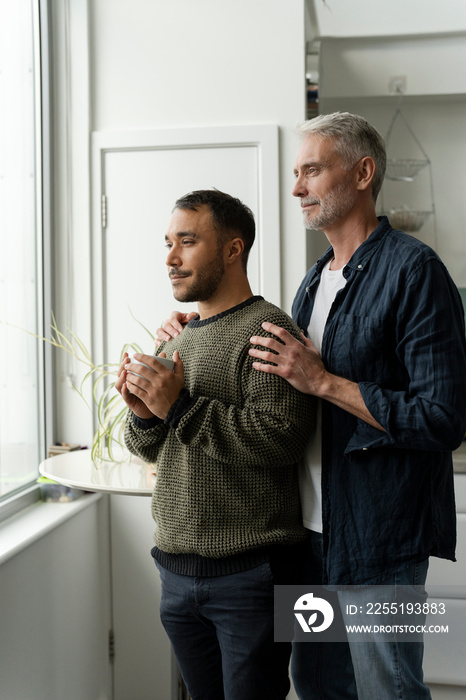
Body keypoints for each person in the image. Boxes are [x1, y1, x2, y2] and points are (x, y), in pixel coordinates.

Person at [157, 113, 466, 700]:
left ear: (363, 172)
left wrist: (325, 382)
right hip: (309, 539)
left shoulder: (415, 271)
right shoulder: (311, 282)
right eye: (296, 173)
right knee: (316, 684)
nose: (297, 187)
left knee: (388, 689)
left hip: (380, 539)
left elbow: (442, 417)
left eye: (312, 171)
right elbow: (272, 377)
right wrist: (190, 326)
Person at [115, 189, 316, 700]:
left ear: (232, 250)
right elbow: (154, 448)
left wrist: (179, 408)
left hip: (254, 576)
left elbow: (281, 439)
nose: (171, 259)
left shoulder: (268, 331)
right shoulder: (175, 338)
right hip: (177, 572)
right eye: (168, 243)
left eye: (188, 241)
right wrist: (144, 415)